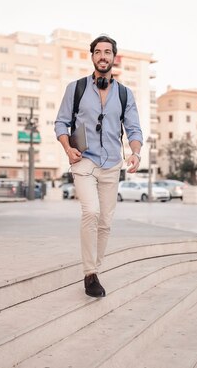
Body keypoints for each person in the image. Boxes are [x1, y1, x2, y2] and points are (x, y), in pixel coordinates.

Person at [54, 35, 143, 298]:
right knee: (91, 211)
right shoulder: (76, 88)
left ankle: (96, 270)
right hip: (84, 162)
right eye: (98, 52)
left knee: (105, 222)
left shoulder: (125, 94)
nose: (103, 56)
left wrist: (136, 153)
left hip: (112, 165)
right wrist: (67, 148)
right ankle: (89, 273)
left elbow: (134, 129)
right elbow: (61, 123)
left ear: (114, 57)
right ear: (92, 56)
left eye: (107, 52)